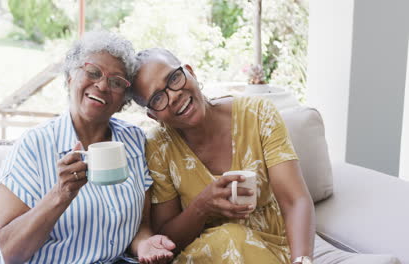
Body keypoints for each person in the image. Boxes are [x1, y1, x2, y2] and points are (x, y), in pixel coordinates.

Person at [0, 32, 175, 264]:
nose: (103, 85)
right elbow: (11, 253)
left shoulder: (134, 140)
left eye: (117, 82)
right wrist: (60, 195)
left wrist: (144, 244)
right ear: (70, 78)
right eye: (93, 72)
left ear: (122, 101)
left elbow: (141, 225)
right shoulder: (34, 144)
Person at [131, 48, 315, 264]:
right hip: (206, 256)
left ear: (190, 72)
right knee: (230, 238)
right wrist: (202, 206)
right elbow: (167, 240)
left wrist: (302, 260)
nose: (173, 95)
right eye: (157, 98)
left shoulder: (259, 114)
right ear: (153, 115)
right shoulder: (159, 146)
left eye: (174, 78)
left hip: (275, 250)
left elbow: (295, 200)